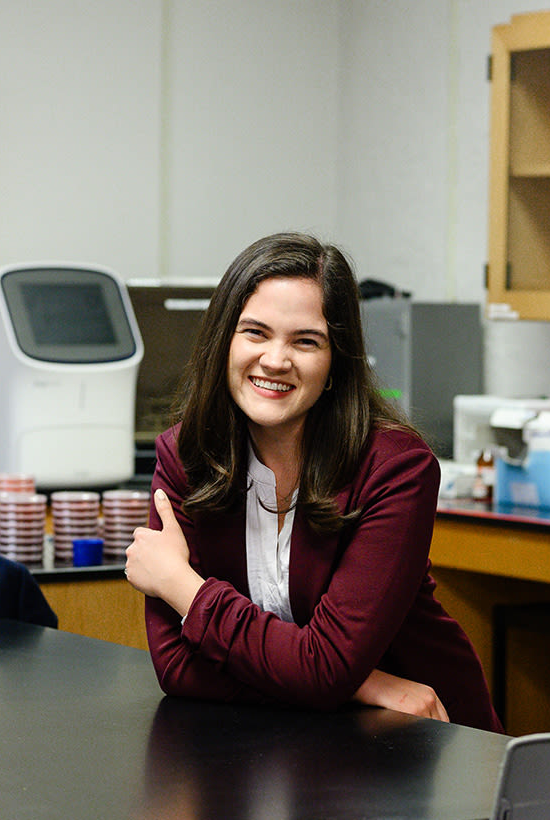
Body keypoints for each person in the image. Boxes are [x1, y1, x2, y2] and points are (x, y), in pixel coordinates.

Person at [125, 232, 502, 732]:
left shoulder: (395, 469)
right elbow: (177, 667)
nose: (276, 360)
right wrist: (367, 685)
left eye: (305, 341)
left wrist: (182, 587)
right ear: (224, 342)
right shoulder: (185, 457)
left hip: (422, 745)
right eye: (255, 332)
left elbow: (326, 668)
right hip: (296, 743)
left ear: (335, 363)